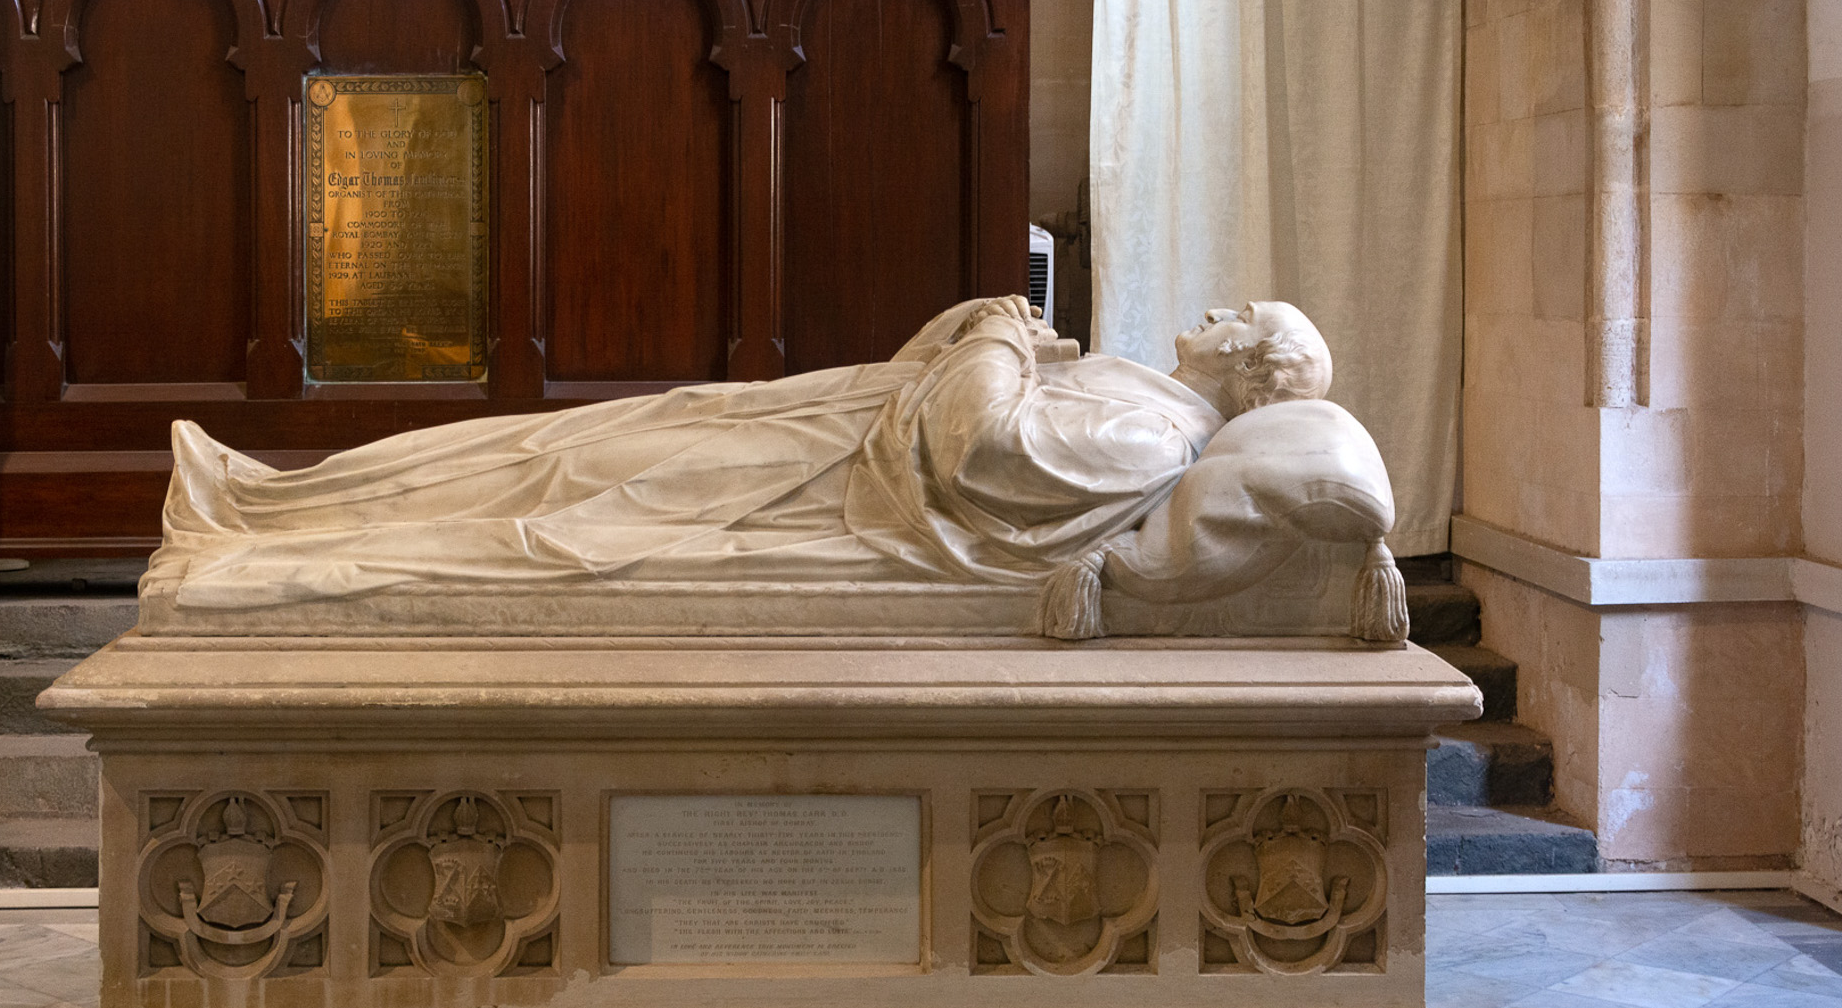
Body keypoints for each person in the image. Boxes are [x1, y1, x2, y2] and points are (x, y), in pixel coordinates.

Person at [145, 295, 1400, 639]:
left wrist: (994, 334)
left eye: (1243, 314)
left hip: (814, 484)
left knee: (543, 492)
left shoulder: (1153, 434)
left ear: (1253, 371)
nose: (1217, 307)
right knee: (532, 451)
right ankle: (257, 501)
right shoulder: (1139, 395)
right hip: (814, 433)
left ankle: (260, 542)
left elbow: (983, 450)